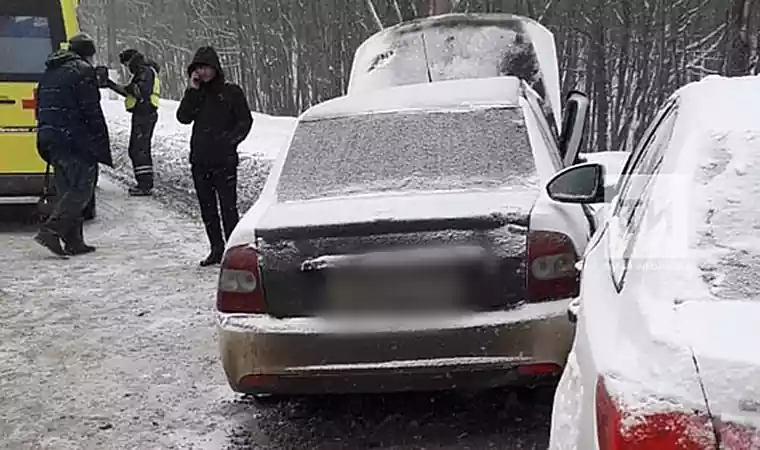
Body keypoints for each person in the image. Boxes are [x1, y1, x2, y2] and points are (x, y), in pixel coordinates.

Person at [34, 33, 111, 257]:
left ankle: (74, 242)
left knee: (67, 189)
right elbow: (91, 111)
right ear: (88, 53)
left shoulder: (50, 71)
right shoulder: (82, 71)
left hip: (51, 138)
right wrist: (98, 141)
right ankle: (51, 230)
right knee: (82, 189)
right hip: (74, 139)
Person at [176, 46, 253, 266]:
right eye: (199, 68)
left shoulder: (231, 92)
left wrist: (230, 141)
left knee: (229, 207)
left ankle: (233, 249)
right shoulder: (196, 94)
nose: (203, 72)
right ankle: (216, 248)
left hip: (224, 161)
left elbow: (245, 121)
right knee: (207, 208)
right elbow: (183, 117)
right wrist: (191, 91)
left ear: (216, 68)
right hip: (200, 160)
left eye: (207, 67)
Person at [104, 48, 160, 196]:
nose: (126, 68)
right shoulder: (145, 71)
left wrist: (119, 86)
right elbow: (130, 92)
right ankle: (144, 183)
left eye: (125, 64)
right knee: (138, 148)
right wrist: (111, 85)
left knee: (139, 149)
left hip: (145, 114)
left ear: (130, 61)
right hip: (143, 113)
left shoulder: (145, 72)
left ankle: (145, 185)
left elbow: (138, 91)